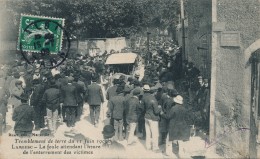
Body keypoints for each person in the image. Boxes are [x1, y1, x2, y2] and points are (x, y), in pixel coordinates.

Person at [140, 84, 162, 152]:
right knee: (155, 133)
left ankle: (148, 146)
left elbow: (142, 108)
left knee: (148, 133)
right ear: (154, 92)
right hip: (153, 118)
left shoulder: (144, 97)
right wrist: (160, 107)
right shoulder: (153, 99)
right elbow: (156, 111)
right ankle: (155, 148)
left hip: (146, 117)